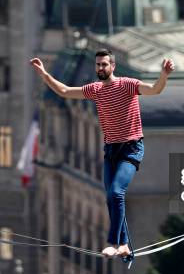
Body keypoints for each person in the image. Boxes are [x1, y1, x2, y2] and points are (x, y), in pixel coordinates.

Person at [30, 49, 174, 258]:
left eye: (104, 65)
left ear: (112, 66)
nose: (100, 68)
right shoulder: (96, 90)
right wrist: (44, 75)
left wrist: (164, 75)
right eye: (98, 65)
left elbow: (154, 90)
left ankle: (114, 243)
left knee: (116, 192)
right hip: (111, 150)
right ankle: (124, 244)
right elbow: (64, 91)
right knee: (111, 198)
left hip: (131, 148)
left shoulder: (127, 85)